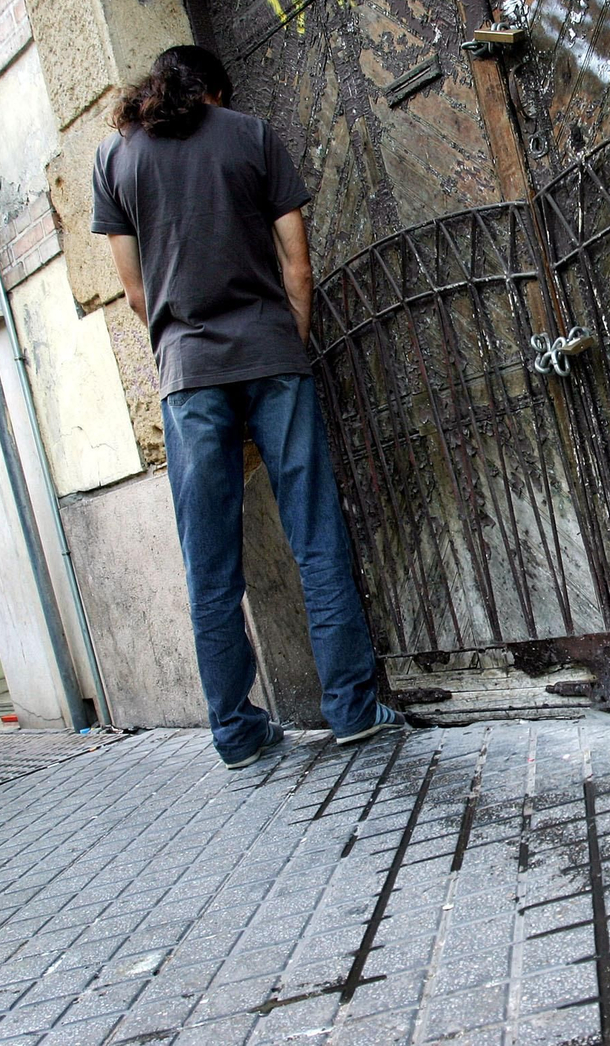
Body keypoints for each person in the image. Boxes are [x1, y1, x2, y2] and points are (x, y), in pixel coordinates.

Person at [90, 45, 404, 768]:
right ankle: (353, 708)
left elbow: (136, 293)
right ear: (216, 92)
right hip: (271, 357)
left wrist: (188, 350)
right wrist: (284, 343)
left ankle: (234, 729)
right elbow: (297, 263)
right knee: (316, 533)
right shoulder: (251, 135)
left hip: (188, 376)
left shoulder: (116, 160)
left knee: (209, 558)